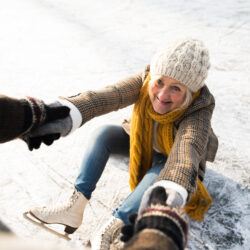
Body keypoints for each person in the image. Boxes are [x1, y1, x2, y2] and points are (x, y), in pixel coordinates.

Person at [26, 38, 218, 250]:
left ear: (190, 93)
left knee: (163, 173)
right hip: (141, 141)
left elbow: (187, 147)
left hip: (171, 157)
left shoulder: (200, 107)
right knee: (104, 133)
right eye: (160, 82)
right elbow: (110, 95)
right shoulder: (145, 80)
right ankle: (74, 207)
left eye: (176, 88)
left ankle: (110, 230)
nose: (163, 94)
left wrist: (174, 184)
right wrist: (66, 111)